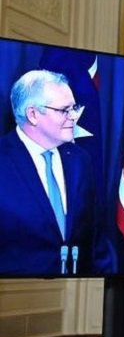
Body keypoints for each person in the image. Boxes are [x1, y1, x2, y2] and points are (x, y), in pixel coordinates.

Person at [0, 69, 102, 276]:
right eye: (64, 110)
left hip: (75, 288)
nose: (74, 116)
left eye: (74, 108)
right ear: (33, 115)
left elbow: (91, 235)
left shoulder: (79, 159)